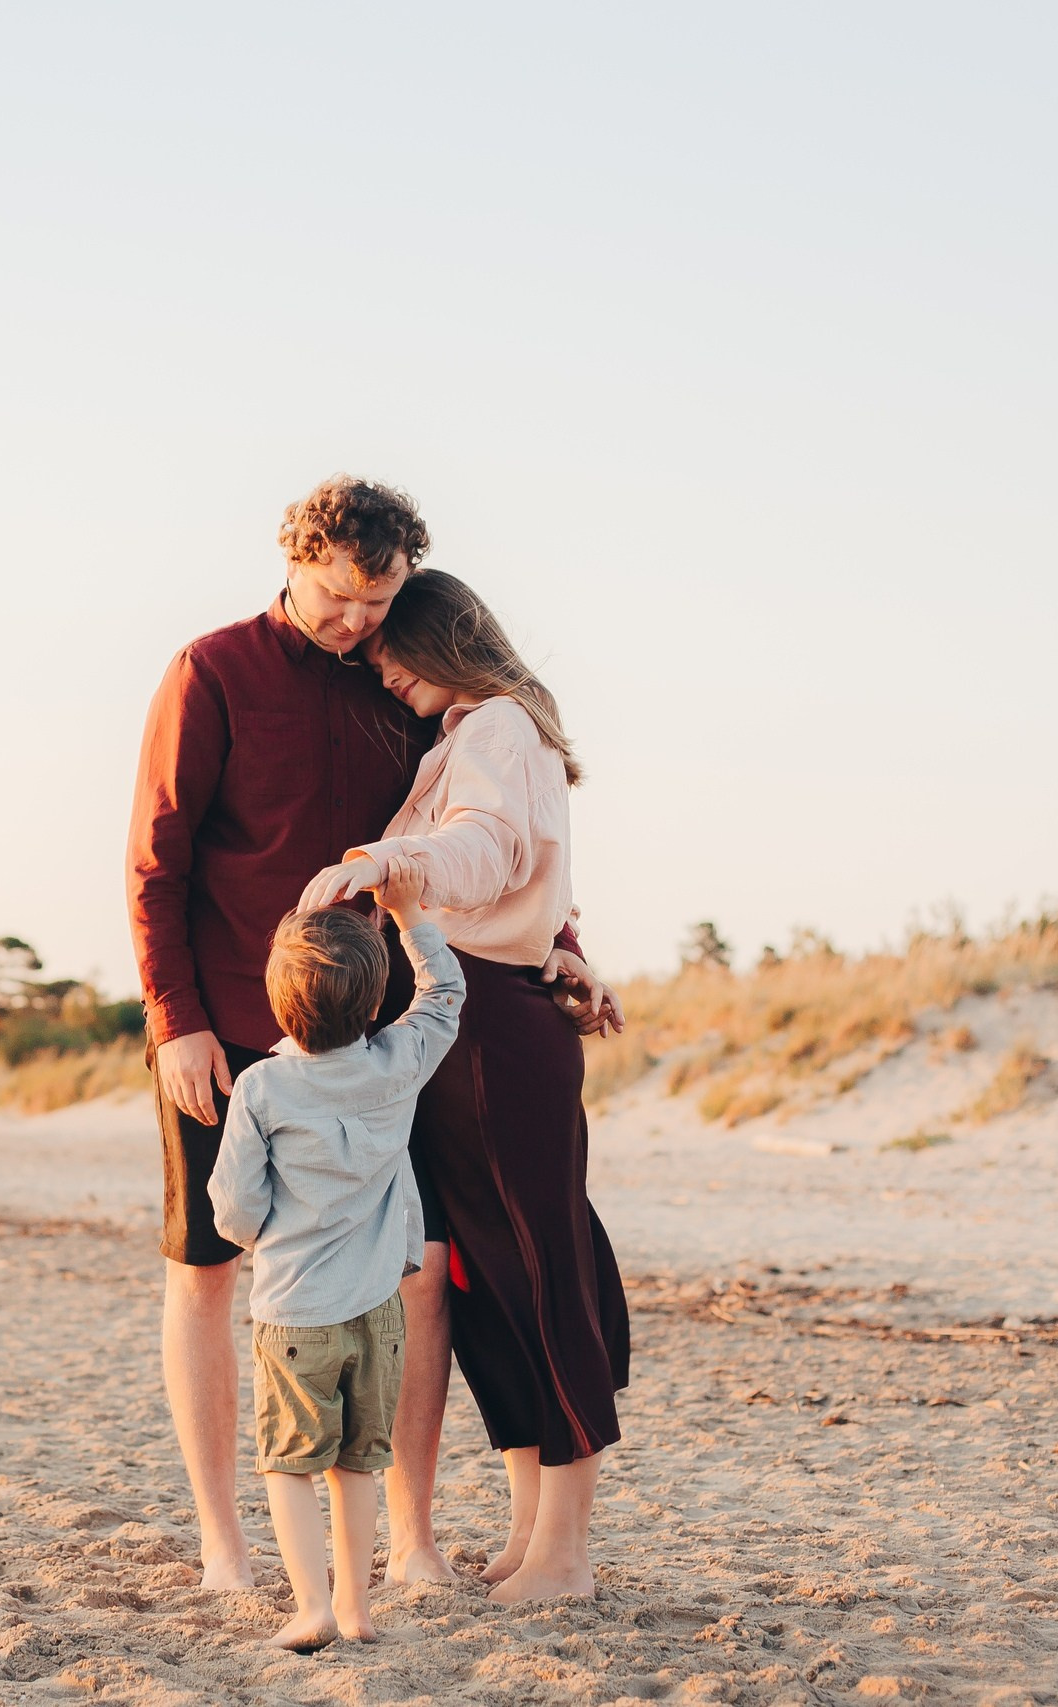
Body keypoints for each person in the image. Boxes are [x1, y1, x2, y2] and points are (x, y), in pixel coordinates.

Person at [127, 477, 591, 1589]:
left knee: (419, 1274)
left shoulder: (403, 682)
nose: (354, 624)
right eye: (337, 598)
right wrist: (177, 1022)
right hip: (233, 1024)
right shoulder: (211, 670)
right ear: (295, 563)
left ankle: (414, 1542)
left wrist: (566, 936)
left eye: (376, 602)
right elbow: (157, 864)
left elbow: (486, 831)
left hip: (391, 1035)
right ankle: (223, 1548)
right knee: (208, 1269)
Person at [298, 569, 630, 1604]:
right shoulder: (474, 738)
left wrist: (374, 863)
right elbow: (537, 874)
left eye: (392, 647)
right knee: (494, 1284)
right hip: (470, 1019)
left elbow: (487, 852)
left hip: (489, 1025)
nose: (378, 666)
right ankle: (533, 1535)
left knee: (541, 1277)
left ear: (443, 641)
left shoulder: (492, 729)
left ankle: (565, 1554)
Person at [207, 867, 463, 1650]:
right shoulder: (397, 1064)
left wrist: (266, 1237)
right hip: (380, 1312)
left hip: (293, 1312)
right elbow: (445, 995)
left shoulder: (262, 1089)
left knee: (290, 1464)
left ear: (278, 1002)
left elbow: (234, 1210)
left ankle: (312, 1608)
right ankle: (356, 1606)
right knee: (358, 1462)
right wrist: (411, 915)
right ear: (374, 999)